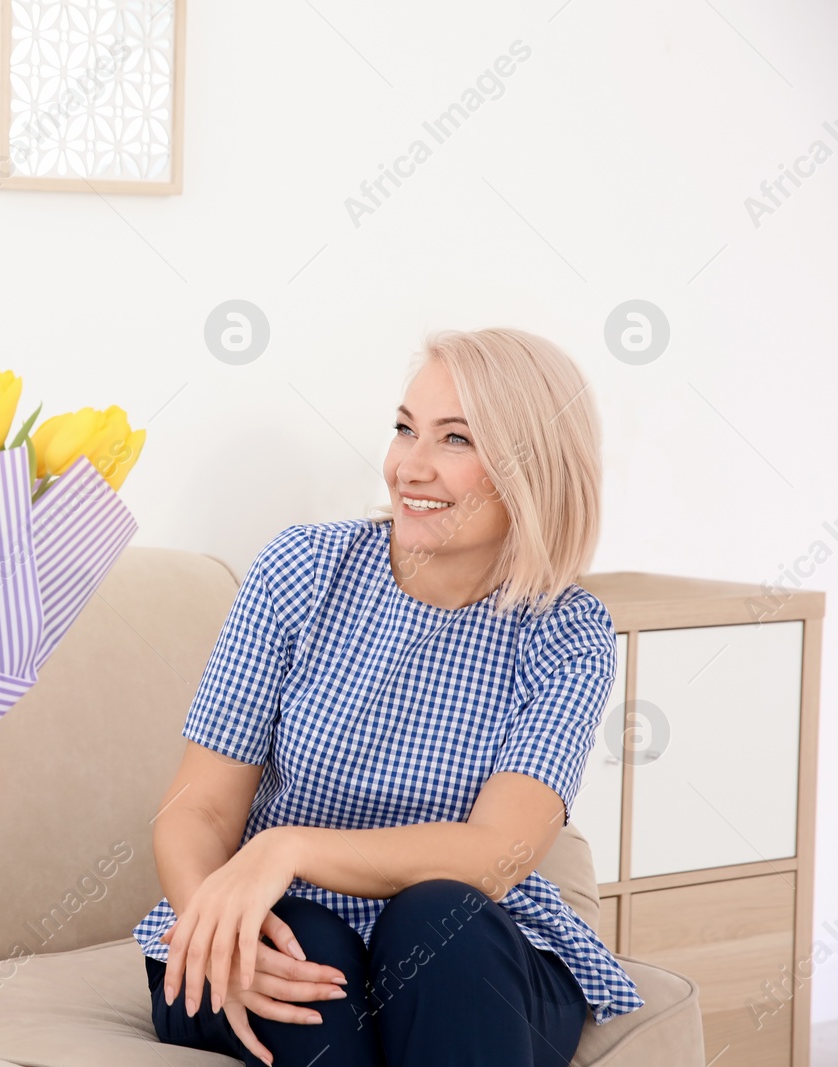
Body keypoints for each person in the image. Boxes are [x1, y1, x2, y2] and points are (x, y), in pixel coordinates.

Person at [134, 328, 644, 1066]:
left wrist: (290, 845)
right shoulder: (303, 570)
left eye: (455, 439)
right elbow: (200, 809)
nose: (411, 464)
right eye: (405, 428)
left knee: (440, 915)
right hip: (292, 925)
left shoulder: (566, 633)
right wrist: (216, 928)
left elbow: (495, 854)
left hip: (468, 944)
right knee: (310, 948)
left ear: (534, 472)